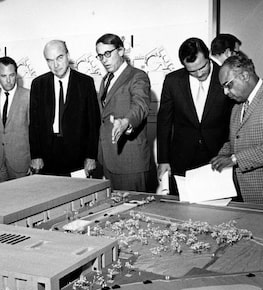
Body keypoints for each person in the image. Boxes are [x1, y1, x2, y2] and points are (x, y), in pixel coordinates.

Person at [157, 37, 233, 194]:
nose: (199, 74)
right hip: (182, 158)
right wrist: (163, 160)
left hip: (218, 156)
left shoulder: (225, 76)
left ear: (208, 56)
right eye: (192, 71)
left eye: (202, 67)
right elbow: (164, 122)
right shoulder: (173, 81)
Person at [29, 40, 100, 176]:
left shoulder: (85, 83)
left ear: (68, 55)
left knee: (78, 193)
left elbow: (93, 123)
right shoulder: (38, 84)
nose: (55, 65)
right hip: (47, 155)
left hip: (77, 154)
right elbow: (34, 124)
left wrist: (91, 156)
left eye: (59, 58)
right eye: (50, 60)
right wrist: (36, 155)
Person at [211, 55, 263, 204]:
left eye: (228, 85)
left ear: (244, 75)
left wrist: (234, 159)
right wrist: (221, 156)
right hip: (243, 194)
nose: (225, 92)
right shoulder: (238, 106)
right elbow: (235, 140)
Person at [96, 33, 151, 191]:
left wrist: (126, 122)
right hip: (108, 160)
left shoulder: (137, 76)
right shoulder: (105, 79)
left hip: (130, 162)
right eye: (100, 56)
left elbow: (140, 106)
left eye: (107, 54)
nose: (104, 60)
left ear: (120, 51)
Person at [0, 56, 31, 181]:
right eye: (3, 76)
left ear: (16, 75)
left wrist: (33, 160)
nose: (8, 80)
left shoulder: (28, 96)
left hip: (22, 163)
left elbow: (35, 132)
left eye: (11, 75)